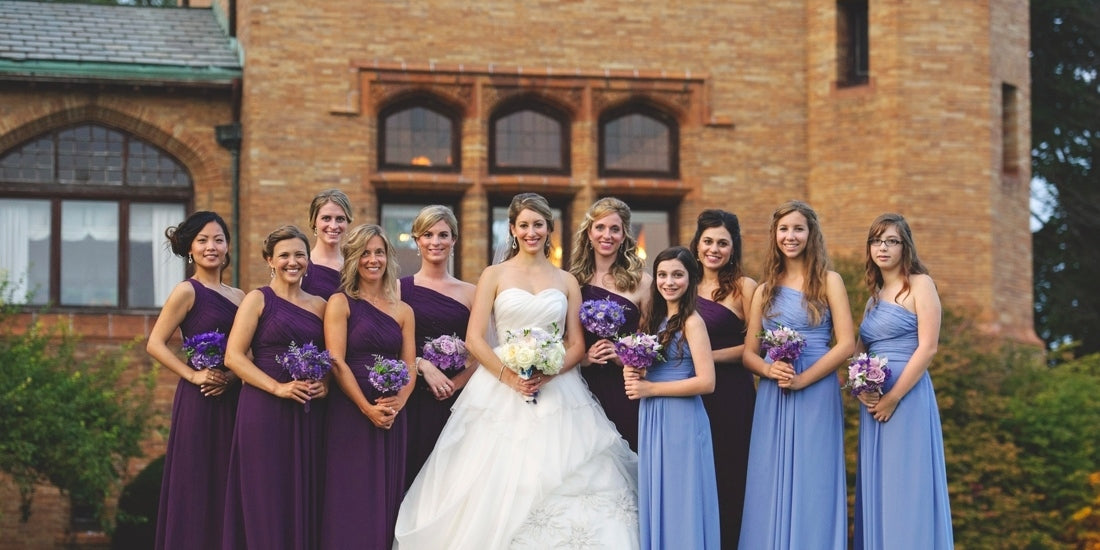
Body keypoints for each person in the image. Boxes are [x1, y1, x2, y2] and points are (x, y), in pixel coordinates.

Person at [394, 193, 639, 549]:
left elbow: (576, 345)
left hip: (558, 390)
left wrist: (550, 372)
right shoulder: (494, 275)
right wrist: (509, 377)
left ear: (549, 229)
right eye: (523, 225)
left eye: (538, 224)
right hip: (500, 387)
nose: (531, 232)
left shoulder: (566, 280)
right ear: (512, 229)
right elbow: (475, 339)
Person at [739, 200, 853, 550]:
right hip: (774, 391)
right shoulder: (764, 290)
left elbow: (846, 344)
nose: (790, 236)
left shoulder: (830, 282)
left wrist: (804, 379)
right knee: (769, 474)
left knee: (814, 474)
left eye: (798, 229)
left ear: (810, 234)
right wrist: (768, 369)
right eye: (784, 229)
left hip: (816, 389)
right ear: (774, 235)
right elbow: (749, 353)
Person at [221, 225, 330, 550]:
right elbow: (233, 357)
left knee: (303, 492)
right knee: (265, 492)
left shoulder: (322, 305)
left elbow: (333, 356)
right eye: (284, 255)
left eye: (299, 255)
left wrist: (325, 383)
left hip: (307, 411)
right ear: (270, 260)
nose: (292, 262)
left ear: (308, 260)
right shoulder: (257, 299)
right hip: (262, 409)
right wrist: (277, 388)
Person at [853, 213, 954, 549]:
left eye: (891, 241)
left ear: (905, 247)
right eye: (876, 241)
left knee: (907, 481)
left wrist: (893, 397)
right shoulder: (873, 298)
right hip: (874, 403)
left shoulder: (920, 284)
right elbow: (859, 350)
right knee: (880, 483)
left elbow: (928, 348)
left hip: (906, 399)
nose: (882, 248)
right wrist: (862, 389)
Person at [148, 211, 245, 550]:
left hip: (233, 399)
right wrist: (192, 374)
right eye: (203, 240)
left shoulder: (241, 297)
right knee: (197, 481)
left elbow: (247, 352)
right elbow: (155, 343)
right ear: (190, 248)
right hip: (198, 401)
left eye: (218, 239)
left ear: (228, 246)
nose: (211, 247)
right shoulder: (186, 291)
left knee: (229, 482)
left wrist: (232, 377)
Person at [320, 224, 416, 548]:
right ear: (353, 258)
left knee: (386, 495)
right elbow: (336, 360)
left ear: (388, 258)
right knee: (350, 493)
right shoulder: (340, 302)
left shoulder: (403, 310)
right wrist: (366, 408)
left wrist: (398, 404)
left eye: (379, 252)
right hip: (350, 411)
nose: (372, 259)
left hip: (391, 415)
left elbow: (410, 365)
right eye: (365, 253)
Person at [625, 246, 720, 549]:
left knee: (682, 495)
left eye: (677, 275)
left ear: (691, 278)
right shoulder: (655, 321)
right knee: (659, 491)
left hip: (681, 420)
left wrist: (650, 389)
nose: (669, 282)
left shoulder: (692, 322)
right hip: (653, 416)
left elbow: (707, 381)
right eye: (662, 275)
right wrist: (632, 370)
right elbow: (648, 367)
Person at [688, 209, 756, 547]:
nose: (714, 249)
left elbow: (757, 346)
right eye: (708, 241)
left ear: (733, 248)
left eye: (722, 243)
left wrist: (706, 359)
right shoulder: (683, 284)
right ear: (697, 245)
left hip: (732, 394)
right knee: (695, 474)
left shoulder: (745, 287)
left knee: (730, 472)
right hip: (690, 393)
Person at [397, 205, 476, 489]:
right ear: (417, 240)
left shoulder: (471, 293)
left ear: (454, 240)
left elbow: (481, 352)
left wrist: (455, 385)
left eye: (443, 235)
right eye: (427, 234)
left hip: (456, 402)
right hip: (412, 399)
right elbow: (391, 347)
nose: (435, 242)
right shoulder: (398, 289)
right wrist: (422, 365)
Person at [569, 197, 651, 450]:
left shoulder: (642, 282)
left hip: (625, 387)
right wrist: (583, 358)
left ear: (624, 235)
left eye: (615, 229)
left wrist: (624, 354)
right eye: (600, 227)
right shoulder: (572, 281)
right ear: (589, 233)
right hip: (582, 388)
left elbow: (653, 340)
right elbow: (563, 339)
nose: (607, 235)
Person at [301, 189, 353, 298]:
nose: (333, 226)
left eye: (340, 219)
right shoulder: (301, 266)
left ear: (347, 222)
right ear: (314, 222)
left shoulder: (355, 267)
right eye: (326, 218)